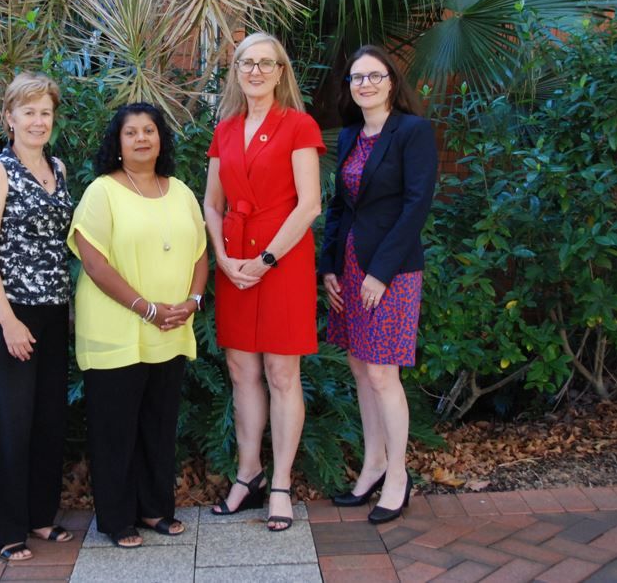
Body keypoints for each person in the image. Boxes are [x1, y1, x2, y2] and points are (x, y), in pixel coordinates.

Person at [68, 102, 209, 549]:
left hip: (170, 330)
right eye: (132, 132)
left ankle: (155, 509)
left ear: (161, 139)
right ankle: (116, 519)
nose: (142, 138)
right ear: (119, 141)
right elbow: (93, 261)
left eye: (150, 130)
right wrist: (146, 308)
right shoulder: (102, 192)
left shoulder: (182, 191)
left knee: (159, 425)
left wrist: (192, 301)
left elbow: (200, 253)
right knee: (116, 429)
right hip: (117, 332)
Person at [204, 32, 324, 532]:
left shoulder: (298, 125)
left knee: (281, 373)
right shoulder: (225, 129)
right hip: (234, 261)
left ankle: (279, 483)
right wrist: (223, 258)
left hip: (284, 261)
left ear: (281, 71)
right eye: (245, 63)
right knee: (241, 371)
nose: (255, 71)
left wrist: (269, 257)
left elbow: (310, 204)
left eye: (265, 63)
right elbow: (211, 202)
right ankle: (247, 473)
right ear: (235, 71)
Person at [320, 45, 438, 524]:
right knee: (360, 370)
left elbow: (416, 206)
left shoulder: (414, 132)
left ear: (391, 81)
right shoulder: (350, 135)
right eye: (355, 78)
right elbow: (338, 207)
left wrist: (380, 273)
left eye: (373, 75)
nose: (364, 84)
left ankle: (398, 476)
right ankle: (372, 465)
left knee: (384, 374)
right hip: (348, 267)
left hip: (391, 271)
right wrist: (327, 266)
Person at [0, 72, 75, 561]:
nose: (38, 121)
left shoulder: (60, 167)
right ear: (9, 117)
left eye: (45, 112)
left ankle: (39, 516)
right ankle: (3, 528)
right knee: (11, 421)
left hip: (55, 311)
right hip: (12, 312)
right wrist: (8, 321)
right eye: (28, 112)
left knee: (48, 419)